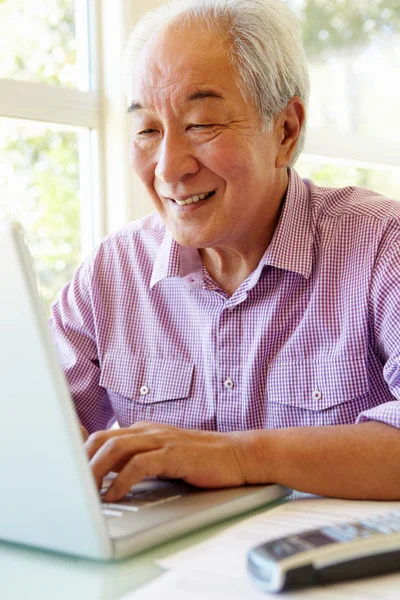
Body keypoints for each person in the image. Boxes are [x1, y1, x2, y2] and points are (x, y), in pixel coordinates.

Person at [50, 0, 400, 503]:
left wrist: (236, 456)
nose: (169, 168)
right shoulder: (110, 273)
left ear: (285, 131)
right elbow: (29, 430)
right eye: (148, 129)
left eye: (201, 123)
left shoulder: (382, 246)